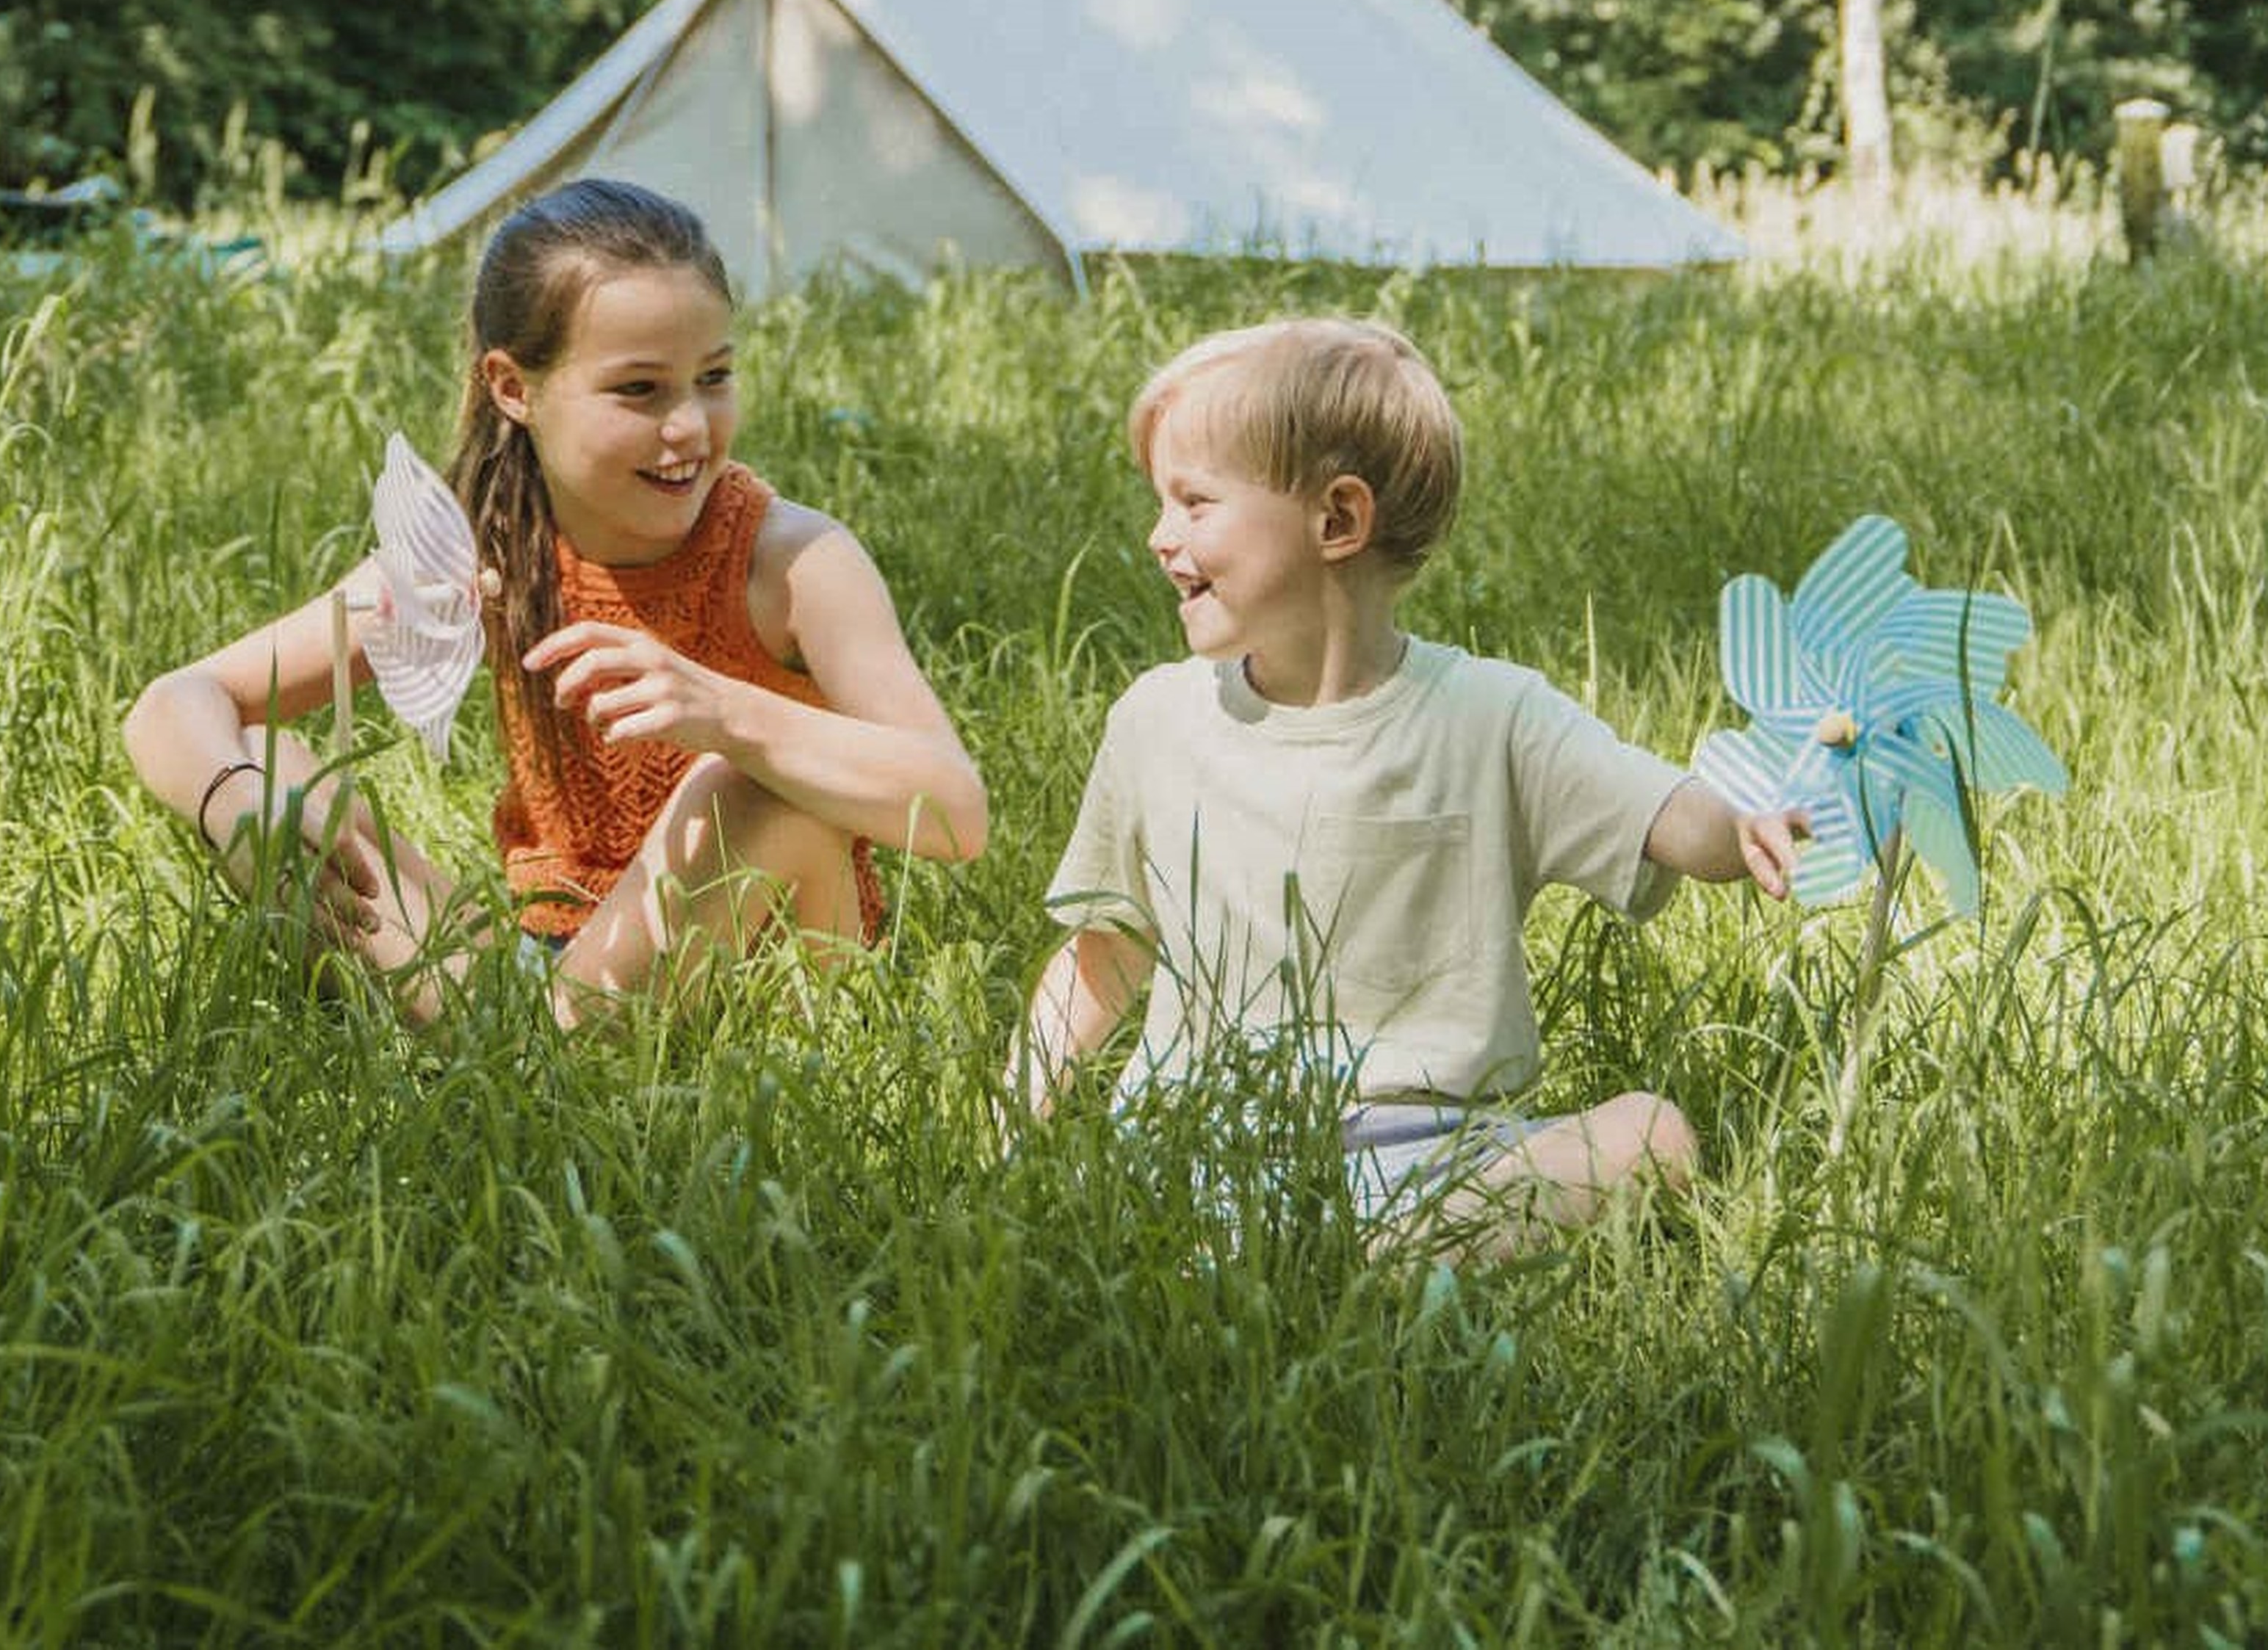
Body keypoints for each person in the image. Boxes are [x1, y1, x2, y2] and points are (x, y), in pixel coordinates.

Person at [1010, 316, 1802, 1250]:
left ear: (1337, 521)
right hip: (1203, 1151)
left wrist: (1748, 818)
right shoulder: (1157, 721)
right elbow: (1103, 955)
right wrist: (1007, 1140)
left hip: (1436, 1157)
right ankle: (1350, 1259)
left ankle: (1344, 1254)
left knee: (1655, 1135)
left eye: (1195, 503)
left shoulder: (1490, 717)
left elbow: (1670, 815)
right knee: (1170, 1211)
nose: (1159, 536)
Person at [125, 178, 987, 1024]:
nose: (690, 426)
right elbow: (176, 702)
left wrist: (728, 716)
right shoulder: (485, 551)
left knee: (742, 788)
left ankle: (527, 1053)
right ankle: (532, 1036)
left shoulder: (794, 562)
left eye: (714, 376)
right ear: (512, 387)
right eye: (640, 390)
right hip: (555, 960)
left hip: (769, 971)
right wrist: (238, 800)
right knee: (262, 760)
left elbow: (957, 811)